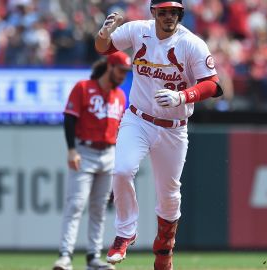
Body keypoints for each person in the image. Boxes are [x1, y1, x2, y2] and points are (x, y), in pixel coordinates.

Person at [94, 0, 223, 269]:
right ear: (153, 13)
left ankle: (164, 250)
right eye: (162, 11)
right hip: (138, 118)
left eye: (173, 12)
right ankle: (125, 232)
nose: (168, 17)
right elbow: (104, 49)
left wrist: (182, 96)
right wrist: (103, 34)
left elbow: (212, 85)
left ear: (180, 14)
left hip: (174, 128)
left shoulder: (191, 44)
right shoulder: (137, 31)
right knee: (121, 170)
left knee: (169, 194)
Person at [53, 51, 132, 270]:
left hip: (108, 153)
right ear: (110, 67)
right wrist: (71, 150)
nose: (123, 76)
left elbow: (120, 130)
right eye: (121, 70)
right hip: (84, 151)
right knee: (75, 204)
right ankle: (65, 255)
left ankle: (93, 257)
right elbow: (69, 119)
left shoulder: (120, 96)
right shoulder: (83, 88)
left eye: (126, 72)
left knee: (99, 209)